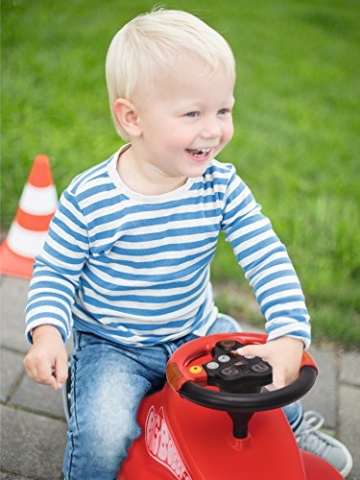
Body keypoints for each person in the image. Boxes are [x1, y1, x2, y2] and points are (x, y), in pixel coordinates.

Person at [23, 8, 352, 479]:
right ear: (132, 118)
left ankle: (293, 430)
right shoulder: (91, 198)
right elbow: (54, 272)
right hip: (115, 343)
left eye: (223, 109)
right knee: (103, 433)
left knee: (272, 383)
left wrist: (288, 335)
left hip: (195, 328)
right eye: (193, 113)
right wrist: (48, 333)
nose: (214, 129)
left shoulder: (219, 185)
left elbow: (264, 253)